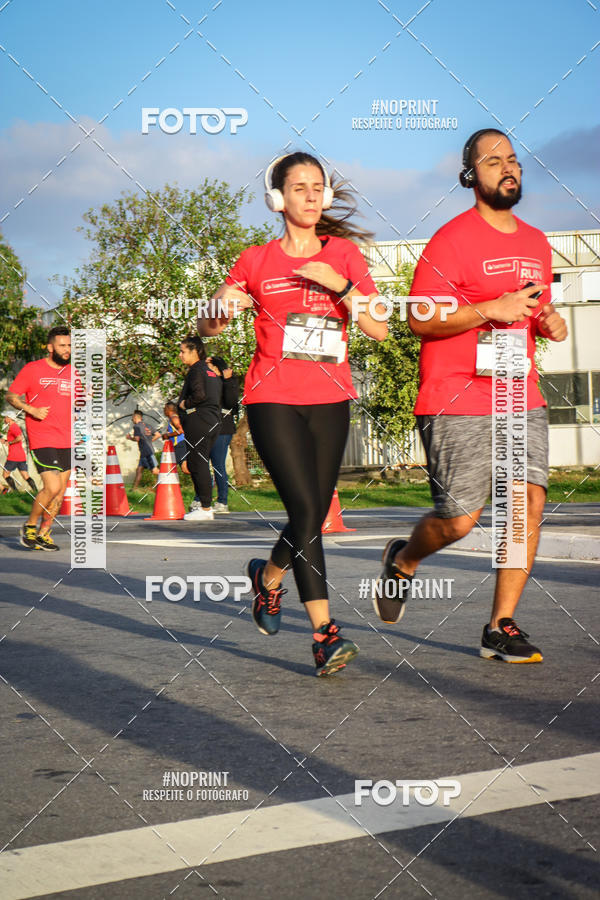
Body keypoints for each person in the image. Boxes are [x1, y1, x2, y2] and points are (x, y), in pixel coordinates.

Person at [373, 129, 568, 663]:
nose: (508, 168)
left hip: (518, 392)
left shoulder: (535, 242)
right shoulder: (450, 241)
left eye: (513, 160)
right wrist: (489, 309)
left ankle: (500, 625)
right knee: (459, 519)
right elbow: (418, 317)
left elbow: (535, 309)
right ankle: (405, 558)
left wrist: (549, 319)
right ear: (471, 176)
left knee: (526, 503)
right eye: (493, 161)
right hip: (455, 395)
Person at [199, 151, 387, 675]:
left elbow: (379, 328)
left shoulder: (344, 255)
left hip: (330, 399)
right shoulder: (256, 260)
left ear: (325, 197)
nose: (309, 194)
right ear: (278, 199)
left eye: (316, 187)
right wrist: (217, 307)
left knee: (311, 512)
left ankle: (269, 577)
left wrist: (340, 286)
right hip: (271, 397)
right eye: (298, 187)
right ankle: (325, 634)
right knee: (307, 512)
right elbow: (210, 323)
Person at [6, 325, 74, 551]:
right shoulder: (33, 369)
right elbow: (11, 395)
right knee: (52, 486)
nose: (67, 349)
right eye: (62, 345)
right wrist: (31, 410)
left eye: (70, 345)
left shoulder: (73, 373)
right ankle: (29, 526)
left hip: (67, 439)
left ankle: (44, 533)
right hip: (42, 438)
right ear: (50, 347)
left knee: (60, 493)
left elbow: (76, 403)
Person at [177, 335, 222, 521]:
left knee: (198, 463)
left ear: (195, 351)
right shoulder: (211, 371)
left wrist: (184, 404)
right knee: (200, 462)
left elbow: (199, 395)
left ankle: (204, 507)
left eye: (183, 351)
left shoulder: (196, 370)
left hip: (200, 420)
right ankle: (204, 505)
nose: (180, 355)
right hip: (214, 420)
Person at [206, 356, 240, 514]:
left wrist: (227, 381)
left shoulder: (229, 382)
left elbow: (231, 401)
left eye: (209, 366)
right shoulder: (207, 383)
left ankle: (222, 501)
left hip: (222, 429)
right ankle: (201, 499)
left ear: (218, 368)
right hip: (207, 428)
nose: (206, 369)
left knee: (218, 464)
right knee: (203, 464)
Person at [1, 411, 37, 494]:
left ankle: (15, 492)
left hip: (13, 456)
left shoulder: (13, 427)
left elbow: (19, 438)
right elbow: (16, 439)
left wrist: (9, 443)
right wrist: (6, 441)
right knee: (25, 475)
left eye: (5, 417)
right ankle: (36, 492)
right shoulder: (13, 427)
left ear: (9, 418)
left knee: (5, 475)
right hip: (21, 456)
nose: (4, 419)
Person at [127, 410, 159, 488]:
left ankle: (167, 482)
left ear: (135, 418)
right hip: (146, 451)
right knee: (139, 470)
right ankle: (134, 489)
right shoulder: (148, 425)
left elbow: (137, 438)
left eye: (132, 418)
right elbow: (158, 435)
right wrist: (149, 441)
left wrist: (130, 438)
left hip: (147, 452)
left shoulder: (137, 426)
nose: (132, 420)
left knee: (155, 471)